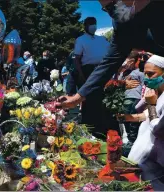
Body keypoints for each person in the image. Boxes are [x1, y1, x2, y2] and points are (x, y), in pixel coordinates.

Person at [55, 1, 164, 112]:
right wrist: (77, 98)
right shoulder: (123, 25)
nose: (113, 12)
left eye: (113, 4)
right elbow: (109, 62)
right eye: (108, 9)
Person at [127, 55, 164, 190]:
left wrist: (152, 105)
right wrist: (127, 117)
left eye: (151, 74)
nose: (147, 78)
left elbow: (160, 130)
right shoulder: (156, 93)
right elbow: (147, 116)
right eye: (145, 74)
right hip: (143, 154)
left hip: (155, 160)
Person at [73, 17, 110, 136]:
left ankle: (102, 127)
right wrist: (81, 74)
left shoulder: (102, 39)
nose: (93, 26)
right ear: (85, 26)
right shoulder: (81, 40)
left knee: (102, 99)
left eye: (94, 24)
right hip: (88, 71)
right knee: (88, 99)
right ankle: (88, 127)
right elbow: (77, 59)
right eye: (90, 24)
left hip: (103, 69)